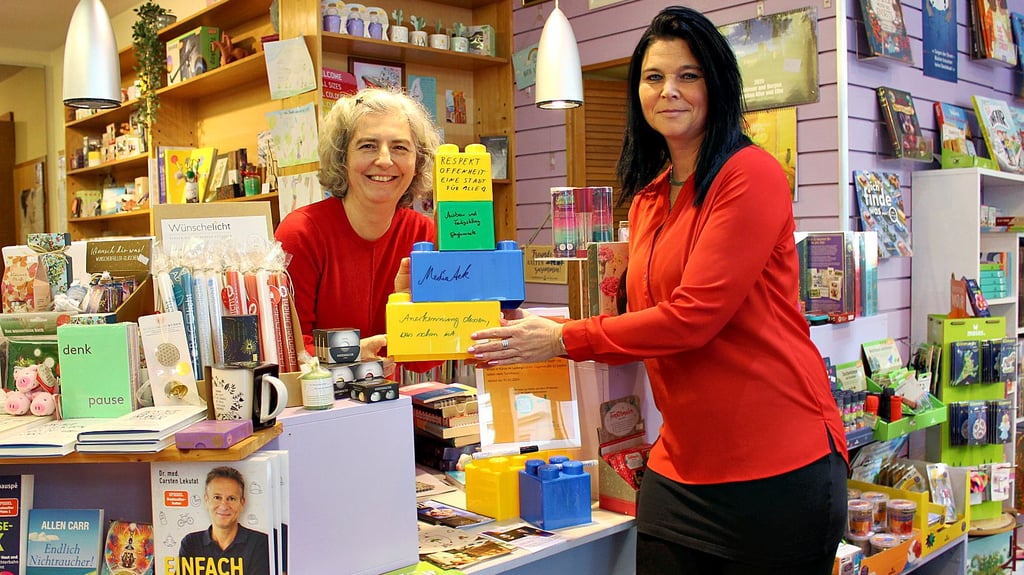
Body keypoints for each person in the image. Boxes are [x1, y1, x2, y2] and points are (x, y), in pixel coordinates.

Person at [468, 7, 848, 574]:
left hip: (779, 467)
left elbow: (693, 317)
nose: (669, 91)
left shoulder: (751, 174)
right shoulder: (648, 198)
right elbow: (647, 317)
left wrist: (564, 339)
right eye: (653, 77)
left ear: (716, 84)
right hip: (681, 467)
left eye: (688, 76)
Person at [275, 88, 441, 363]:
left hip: (389, 398)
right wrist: (349, 353)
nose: (385, 160)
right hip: (317, 400)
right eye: (368, 146)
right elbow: (287, 347)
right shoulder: (301, 233)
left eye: (400, 147)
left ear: (417, 161)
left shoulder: (424, 234)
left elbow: (423, 360)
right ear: (343, 158)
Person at [178, 466, 271, 575]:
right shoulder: (191, 543)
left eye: (231, 498)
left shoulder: (260, 543)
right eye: (217, 497)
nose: (224, 505)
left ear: (242, 503)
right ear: (206, 500)